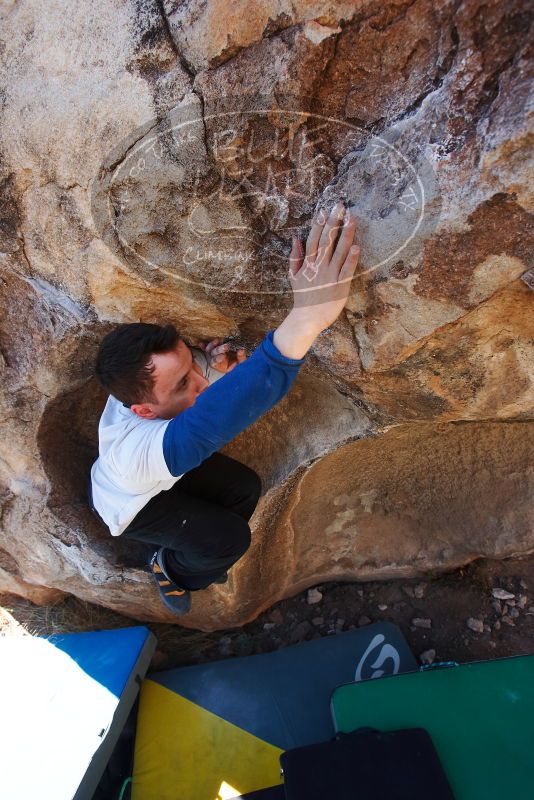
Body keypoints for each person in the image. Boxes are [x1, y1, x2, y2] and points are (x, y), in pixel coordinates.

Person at [88, 200, 360, 614]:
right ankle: (175, 570)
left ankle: (198, 551)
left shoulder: (137, 387)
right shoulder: (136, 455)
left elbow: (200, 395)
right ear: (143, 411)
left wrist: (213, 371)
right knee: (229, 540)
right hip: (132, 505)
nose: (199, 379)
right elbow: (211, 419)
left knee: (243, 487)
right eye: (183, 383)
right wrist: (307, 317)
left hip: (155, 474)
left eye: (190, 363)